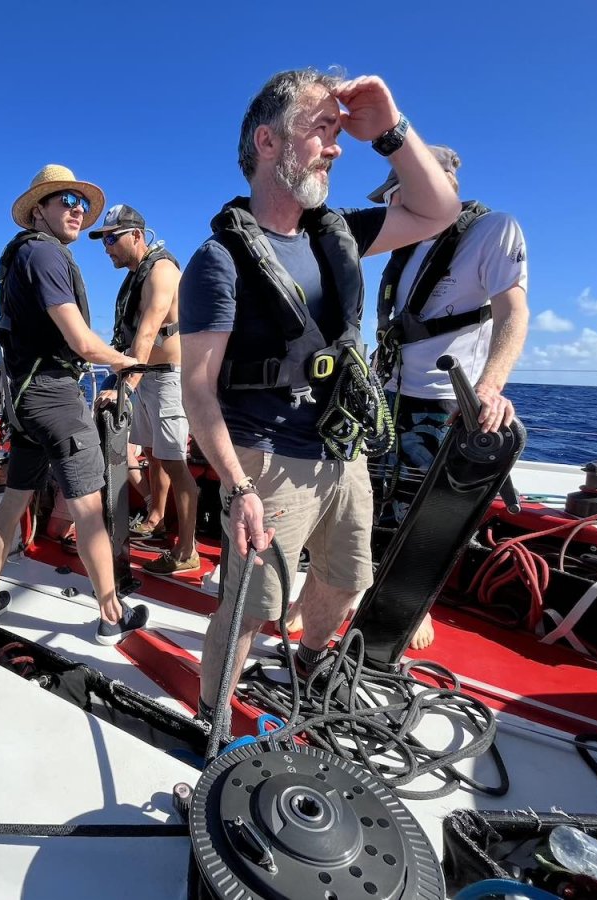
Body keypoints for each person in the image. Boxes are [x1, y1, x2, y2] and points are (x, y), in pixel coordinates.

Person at [179, 69, 461, 719]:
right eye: (321, 129)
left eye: (339, 131)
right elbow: (197, 389)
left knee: (346, 579)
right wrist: (238, 489)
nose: (336, 146)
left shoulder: (339, 234)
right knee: (251, 608)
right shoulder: (218, 262)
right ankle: (210, 719)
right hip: (268, 460)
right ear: (268, 142)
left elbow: (439, 209)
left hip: (344, 449)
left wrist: (390, 129)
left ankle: (304, 667)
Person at [0, 164, 149, 645]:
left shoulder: (22, 256)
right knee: (89, 511)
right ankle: (111, 617)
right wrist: (127, 361)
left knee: (14, 502)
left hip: (23, 403)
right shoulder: (46, 255)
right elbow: (81, 342)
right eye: (65, 201)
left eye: (80, 203)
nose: (76, 210)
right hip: (56, 401)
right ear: (38, 210)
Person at [369, 144, 529, 649]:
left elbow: (513, 312)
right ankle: (362, 586)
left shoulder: (494, 229)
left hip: (440, 400)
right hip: (384, 391)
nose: (392, 206)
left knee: (420, 510)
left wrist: (490, 386)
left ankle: (412, 606)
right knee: (371, 498)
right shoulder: (405, 245)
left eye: (397, 193)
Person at [90, 204, 200, 575]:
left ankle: (187, 551)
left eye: (112, 239)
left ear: (136, 235)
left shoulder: (161, 271)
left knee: (175, 462)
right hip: (148, 376)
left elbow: (149, 331)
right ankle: (156, 518)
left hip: (168, 378)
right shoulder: (137, 275)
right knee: (153, 454)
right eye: (103, 240)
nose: (106, 247)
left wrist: (124, 387)